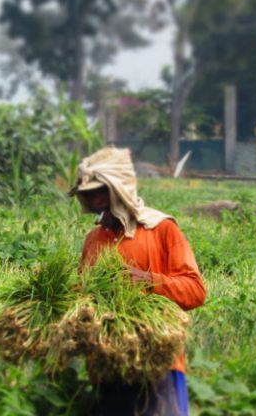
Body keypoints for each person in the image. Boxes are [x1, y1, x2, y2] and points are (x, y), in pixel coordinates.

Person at [69, 146, 207, 416]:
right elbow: (82, 295)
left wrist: (147, 280)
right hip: (106, 366)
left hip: (156, 363)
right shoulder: (94, 240)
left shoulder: (162, 230)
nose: (94, 201)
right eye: (89, 195)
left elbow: (195, 290)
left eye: (100, 192)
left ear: (119, 191)